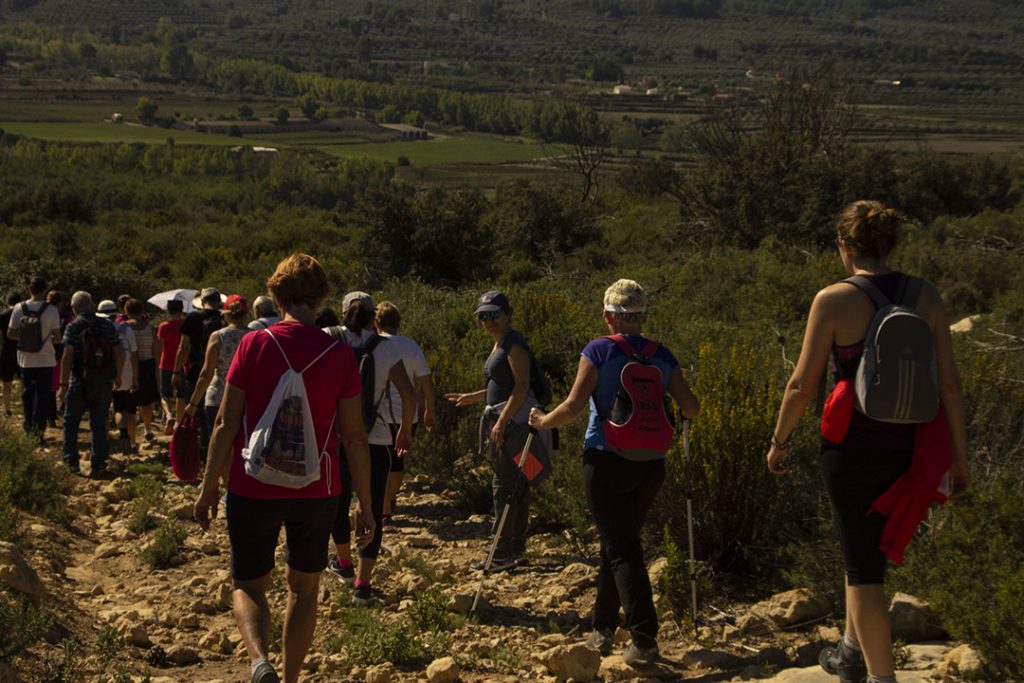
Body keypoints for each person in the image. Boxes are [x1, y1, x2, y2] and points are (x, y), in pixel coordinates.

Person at [765, 201, 969, 683]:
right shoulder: (927, 296)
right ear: (890, 244)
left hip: (850, 448)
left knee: (863, 571)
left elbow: (801, 385)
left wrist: (779, 441)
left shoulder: (833, 299)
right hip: (910, 446)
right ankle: (852, 651)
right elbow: (950, 385)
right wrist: (958, 458)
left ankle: (880, 677)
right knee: (861, 550)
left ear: (844, 246)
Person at [193, 254, 375, 683]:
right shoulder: (339, 354)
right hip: (318, 489)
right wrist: (365, 504)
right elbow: (353, 438)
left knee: (249, 584)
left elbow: (226, 422)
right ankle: (290, 679)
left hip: (251, 484)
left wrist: (205, 491)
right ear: (322, 297)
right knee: (304, 589)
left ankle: (260, 663)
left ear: (276, 295)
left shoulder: (254, 345)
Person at [529, 279, 699, 665]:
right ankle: (602, 627)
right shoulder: (662, 355)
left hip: (606, 461)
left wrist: (542, 422)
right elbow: (691, 407)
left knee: (623, 549)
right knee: (618, 540)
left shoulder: (599, 350)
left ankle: (644, 639)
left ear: (608, 316)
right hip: (651, 465)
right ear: (643, 316)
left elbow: (573, 407)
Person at [325, 292, 417, 605]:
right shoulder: (386, 347)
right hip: (374, 439)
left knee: (337, 502)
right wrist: (404, 429)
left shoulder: (328, 339)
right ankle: (363, 585)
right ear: (372, 316)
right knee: (374, 506)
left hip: (335, 438)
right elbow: (409, 394)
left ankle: (344, 564)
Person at [445, 290, 546, 572]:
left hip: (514, 425)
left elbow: (521, 386)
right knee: (518, 485)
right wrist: (472, 397)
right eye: (483, 316)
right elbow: (499, 387)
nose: (489, 321)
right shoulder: (501, 342)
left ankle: (500, 553)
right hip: (511, 421)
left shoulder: (514, 344)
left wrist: (501, 423)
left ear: (507, 314)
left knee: (505, 486)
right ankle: (516, 549)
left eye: (494, 314)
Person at [374, 301, 437, 528]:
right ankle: (390, 500)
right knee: (398, 464)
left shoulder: (376, 344)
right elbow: (426, 381)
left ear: (376, 321)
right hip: (409, 415)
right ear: (398, 322)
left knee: (380, 463)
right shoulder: (411, 346)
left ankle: (384, 511)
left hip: (381, 415)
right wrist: (429, 409)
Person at [59, 292, 123, 476]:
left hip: (79, 381)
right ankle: (99, 464)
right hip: (103, 381)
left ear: (74, 308)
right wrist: (117, 376)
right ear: (92, 305)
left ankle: (71, 462)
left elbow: (67, 357)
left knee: (71, 422)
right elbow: (118, 352)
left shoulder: (73, 327)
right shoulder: (107, 325)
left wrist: (63, 385)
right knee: (98, 423)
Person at [184, 294, 249, 437]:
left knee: (215, 446)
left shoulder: (218, 336)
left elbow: (206, 373)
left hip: (218, 398)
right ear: (246, 314)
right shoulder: (255, 336)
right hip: (244, 400)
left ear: (225, 315)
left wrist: (193, 404)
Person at [7, 276, 62, 443]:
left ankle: (28, 427)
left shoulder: (18, 308)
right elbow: (58, 338)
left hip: (25, 359)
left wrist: (26, 340)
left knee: (27, 394)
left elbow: (10, 333)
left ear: (29, 290)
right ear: (44, 290)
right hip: (45, 359)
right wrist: (43, 341)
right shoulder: (51, 310)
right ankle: (39, 432)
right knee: (42, 395)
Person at [174, 287, 224, 450]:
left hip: (197, 369)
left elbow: (183, 348)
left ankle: (201, 448)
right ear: (219, 302)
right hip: (221, 372)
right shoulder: (225, 318)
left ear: (202, 302)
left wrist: (177, 370)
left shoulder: (194, 317)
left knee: (196, 409)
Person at [98, 300, 139, 453]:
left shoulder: (98, 330)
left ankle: (102, 441)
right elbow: (134, 355)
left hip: (102, 375)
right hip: (125, 375)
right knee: (121, 408)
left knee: (101, 408)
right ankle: (123, 435)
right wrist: (135, 377)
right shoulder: (125, 330)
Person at [126, 298, 161, 442]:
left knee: (130, 404)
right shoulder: (150, 328)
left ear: (126, 311)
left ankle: (131, 437)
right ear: (142, 311)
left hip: (129, 366)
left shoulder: (124, 327)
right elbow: (156, 351)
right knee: (146, 402)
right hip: (148, 365)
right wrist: (157, 369)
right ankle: (147, 429)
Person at [157, 299, 186, 433]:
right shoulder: (186, 324)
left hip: (166, 362)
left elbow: (160, 345)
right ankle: (179, 423)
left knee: (165, 394)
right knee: (181, 394)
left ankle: (169, 415)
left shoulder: (163, 326)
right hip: (182, 363)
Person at [0, 292, 22, 418]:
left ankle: (7, 409)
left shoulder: (3, 315)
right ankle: (27, 406)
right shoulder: (22, 314)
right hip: (22, 350)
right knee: (25, 381)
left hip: (6, 351)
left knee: (6, 382)